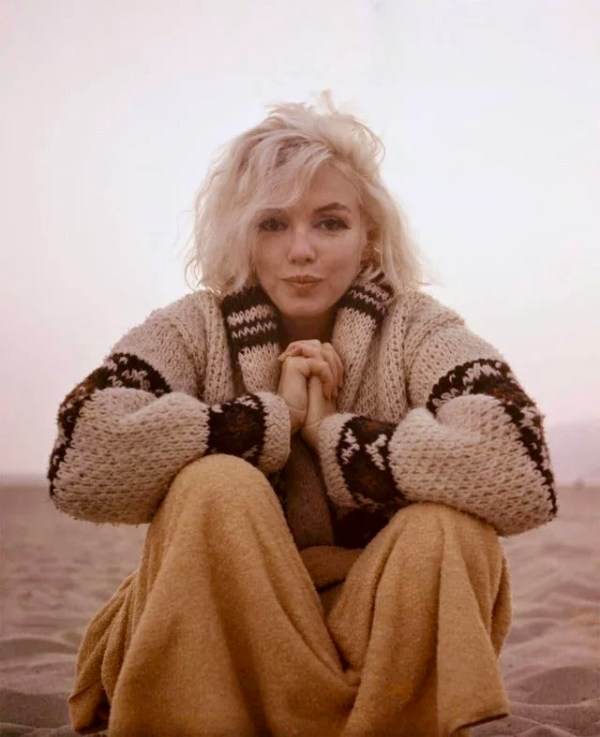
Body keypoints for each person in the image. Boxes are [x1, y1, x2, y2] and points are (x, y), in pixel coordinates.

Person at [48, 95, 557, 737]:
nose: (301, 250)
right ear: (241, 235)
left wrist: (335, 437)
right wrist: (271, 420)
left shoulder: (418, 328)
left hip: (375, 639)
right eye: (272, 224)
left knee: (447, 528)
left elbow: (522, 466)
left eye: (330, 223)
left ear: (369, 236)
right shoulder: (192, 327)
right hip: (224, 640)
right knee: (216, 485)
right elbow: (81, 460)